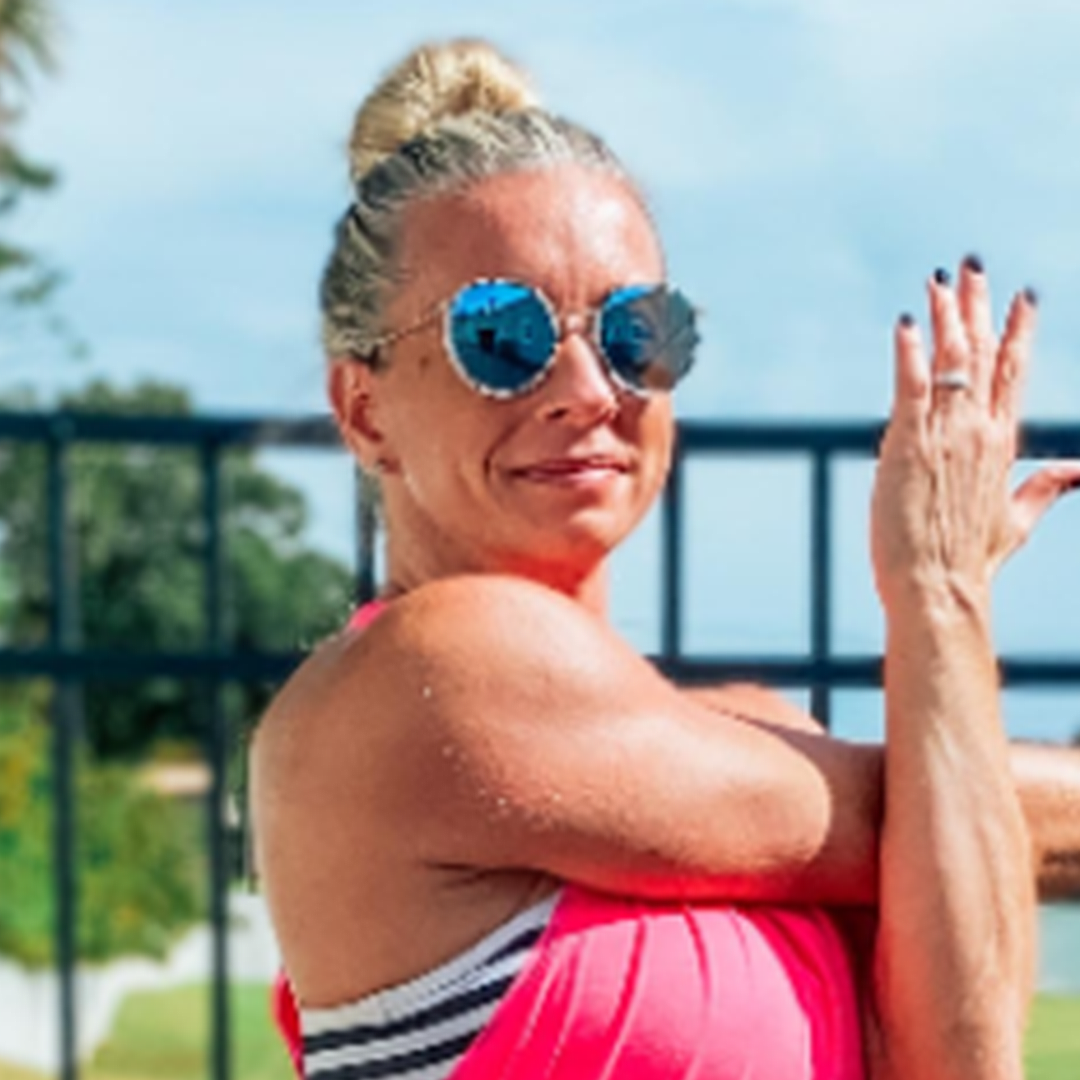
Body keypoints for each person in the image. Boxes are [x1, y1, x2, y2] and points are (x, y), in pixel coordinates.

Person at [251, 38, 1080, 1080]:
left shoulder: (754, 734)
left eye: (635, 331)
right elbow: (932, 812)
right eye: (501, 336)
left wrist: (944, 612)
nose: (587, 389)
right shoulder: (430, 674)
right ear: (364, 410)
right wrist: (939, 592)